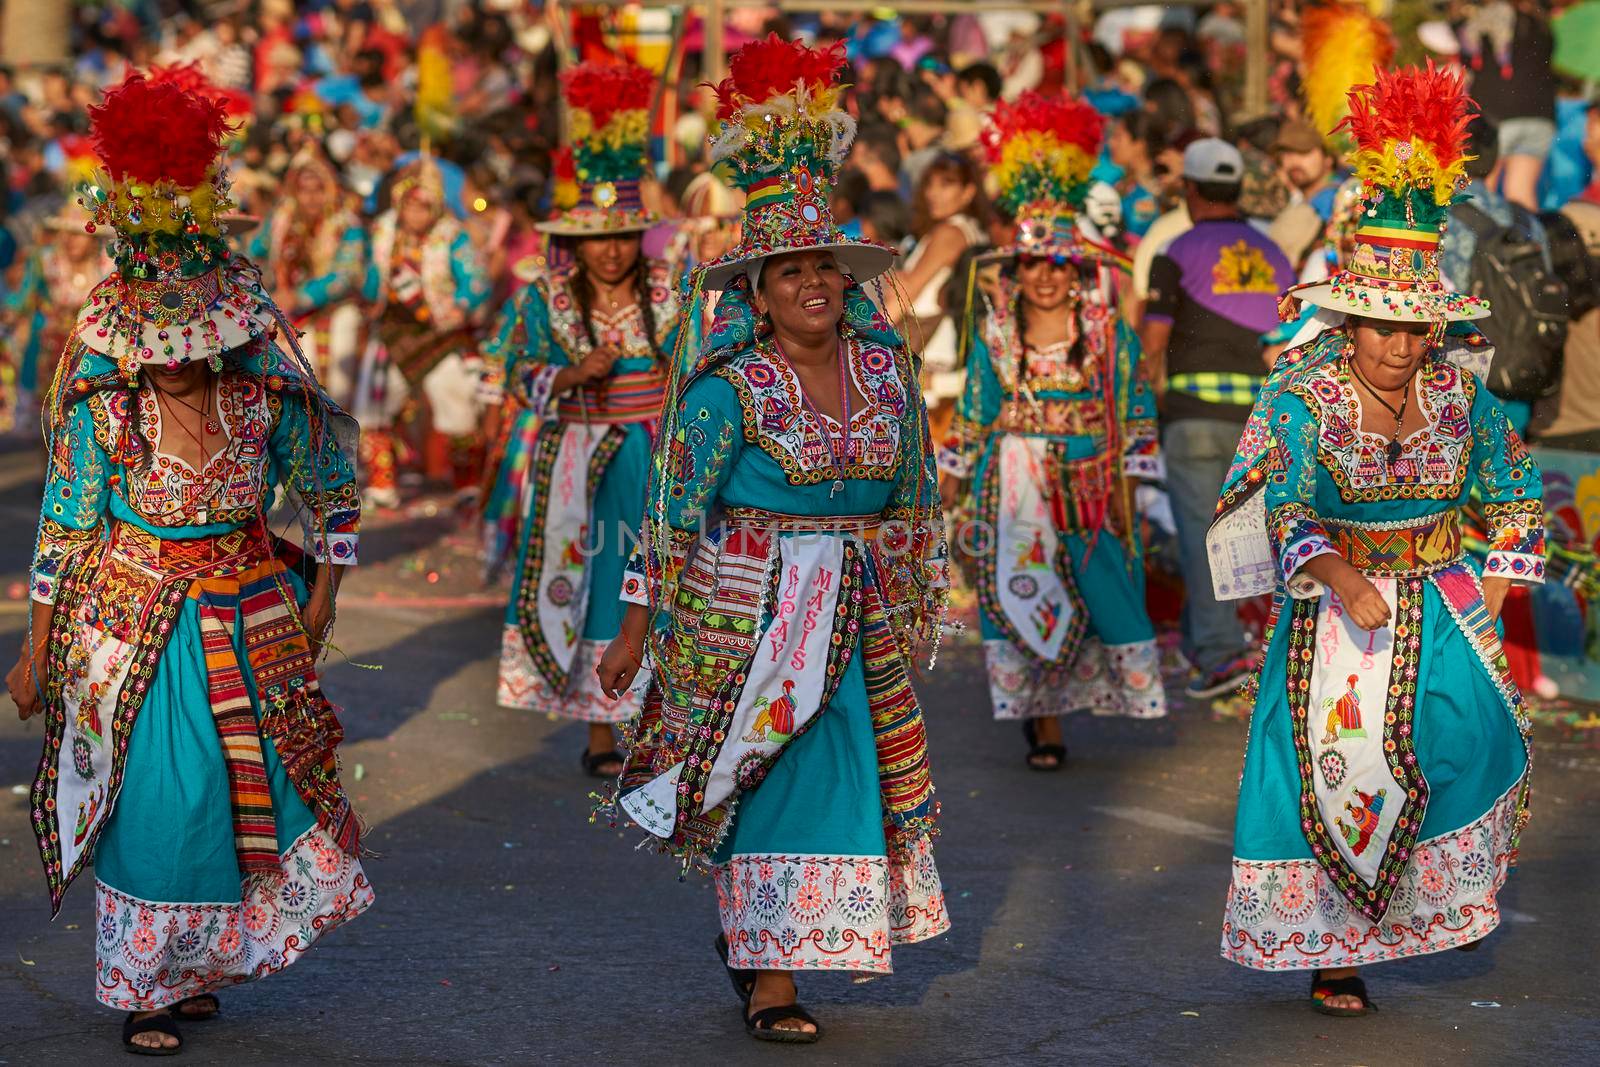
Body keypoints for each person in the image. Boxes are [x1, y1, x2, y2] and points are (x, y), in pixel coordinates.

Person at [6, 73, 369, 1055]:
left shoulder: (262, 401)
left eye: (186, 343)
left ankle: (193, 966)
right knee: (159, 795)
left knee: (228, 793)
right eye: (155, 343)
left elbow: (334, 493)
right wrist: (38, 650)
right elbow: (63, 525)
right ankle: (142, 985)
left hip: (250, 619)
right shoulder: (104, 403)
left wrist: (321, 600)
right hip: (134, 623)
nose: (170, 357)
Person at [596, 37, 949, 1044]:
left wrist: (920, 593)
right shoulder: (724, 393)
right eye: (788, 271)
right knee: (760, 766)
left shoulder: (888, 378)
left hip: (860, 609)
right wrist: (632, 631)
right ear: (754, 292)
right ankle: (768, 970)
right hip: (749, 611)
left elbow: (915, 496)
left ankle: (784, 952)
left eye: (823, 269)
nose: (811, 285)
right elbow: (666, 517)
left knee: (843, 768)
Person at [1207, 64, 1541, 1016]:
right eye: (1381, 327)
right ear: (1348, 317)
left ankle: (1407, 915)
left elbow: (1517, 496)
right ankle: (1332, 952)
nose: (1400, 346)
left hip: (1437, 601)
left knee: (1458, 744)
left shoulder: (1459, 396)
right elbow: (1288, 505)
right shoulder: (1303, 397)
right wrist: (1343, 575)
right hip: (1333, 614)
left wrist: (1498, 581)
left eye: (1416, 328)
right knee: (1333, 766)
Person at [938, 91, 1167, 771]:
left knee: (1084, 593)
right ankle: (1045, 724)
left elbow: (1133, 407)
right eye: (1032, 264)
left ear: (1076, 272)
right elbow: (977, 409)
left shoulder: (1104, 331)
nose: (1044, 277)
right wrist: (951, 484)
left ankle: (1062, 709)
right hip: (1011, 492)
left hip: (1090, 487)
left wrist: (1134, 490)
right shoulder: (996, 333)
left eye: (1057, 266)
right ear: (1015, 270)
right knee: (1022, 593)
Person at [483, 59, 681, 778]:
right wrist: (572, 373)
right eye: (598, 237)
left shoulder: (673, 288)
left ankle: (664, 723)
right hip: (581, 468)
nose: (611, 249)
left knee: (666, 575)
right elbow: (517, 373)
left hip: (658, 460)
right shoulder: (547, 298)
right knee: (597, 581)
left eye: (624, 235)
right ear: (575, 239)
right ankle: (600, 733)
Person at [1141, 138, 1295, 699]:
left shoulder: (1176, 250)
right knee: (1246, 539)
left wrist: (1136, 412)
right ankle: (1211, 642)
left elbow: (1153, 343)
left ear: (1189, 190)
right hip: (1261, 418)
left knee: (1206, 543)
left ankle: (1220, 656)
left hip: (1193, 420)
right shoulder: (1275, 253)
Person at [359, 155, 491, 508]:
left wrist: (460, 304)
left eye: (425, 208)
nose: (417, 215)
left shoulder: (452, 235)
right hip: (393, 330)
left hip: (441, 332)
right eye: (411, 207)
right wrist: (368, 292)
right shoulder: (383, 233)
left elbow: (476, 281)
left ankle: (468, 482)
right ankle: (382, 483)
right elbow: (372, 279)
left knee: (457, 399)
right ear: (400, 206)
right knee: (376, 400)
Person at [247, 144, 367, 406]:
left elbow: (346, 275)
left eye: (318, 190)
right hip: (286, 309)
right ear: (294, 192)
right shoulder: (281, 220)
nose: (312, 198)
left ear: (330, 190)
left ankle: (337, 418)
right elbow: (255, 252)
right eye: (304, 191)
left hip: (335, 310)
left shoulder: (347, 225)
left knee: (339, 367)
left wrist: (300, 296)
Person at [1457, 0, 1556, 211]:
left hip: (1496, 117)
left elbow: (1466, 56)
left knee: (1482, 190)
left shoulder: (1482, 23)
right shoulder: (1542, 26)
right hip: (1540, 118)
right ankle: (1528, 241)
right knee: (1521, 193)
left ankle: (1481, 242)